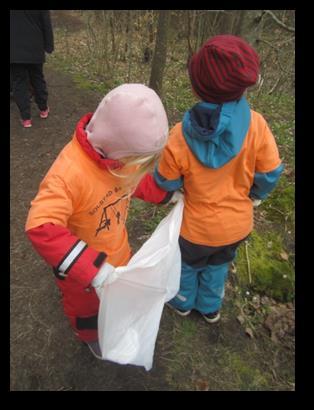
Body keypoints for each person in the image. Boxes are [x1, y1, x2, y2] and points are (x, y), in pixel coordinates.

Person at [25, 84, 174, 358]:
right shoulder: (68, 174)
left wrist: (168, 196)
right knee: (87, 310)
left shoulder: (117, 157)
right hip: (81, 275)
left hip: (118, 254)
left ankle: (113, 321)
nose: (134, 166)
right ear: (114, 144)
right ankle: (90, 335)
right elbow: (40, 225)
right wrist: (93, 271)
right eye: (133, 159)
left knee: (116, 302)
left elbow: (135, 179)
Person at [153, 35, 284, 324]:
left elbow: (165, 179)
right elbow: (270, 172)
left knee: (188, 265)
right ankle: (210, 306)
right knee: (218, 265)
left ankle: (183, 300)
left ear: (197, 85)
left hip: (194, 228)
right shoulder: (258, 127)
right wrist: (256, 194)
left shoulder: (179, 134)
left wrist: (176, 191)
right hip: (236, 226)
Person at [10, 10, 54, 128]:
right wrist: (49, 46)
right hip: (35, 49)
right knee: (38, 78)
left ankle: (26, 118)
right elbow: (46, 25)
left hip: (14, 52)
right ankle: (43, 108)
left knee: (19, 83)